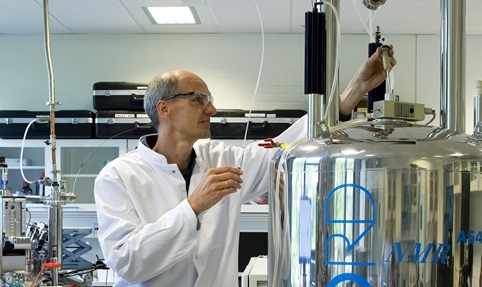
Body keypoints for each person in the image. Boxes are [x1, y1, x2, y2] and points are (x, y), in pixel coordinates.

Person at [94, 46, 396, 287]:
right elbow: (128, 264)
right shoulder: (118, 177)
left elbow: (285, 145)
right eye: (199, 99)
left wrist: (353, 91)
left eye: (209, 100)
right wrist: (193, 207)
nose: (211, 109)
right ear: (165, 109)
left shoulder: (223, 159)